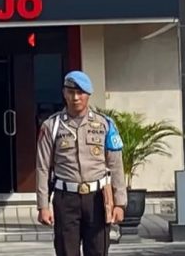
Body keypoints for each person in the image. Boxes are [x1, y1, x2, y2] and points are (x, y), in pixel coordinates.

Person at [35, 71, 127, 256]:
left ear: (88, 94)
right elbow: (42, 167)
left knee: (98, 251)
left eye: (80, 92)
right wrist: (43, 206)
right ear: (64, 93)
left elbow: (116, 166)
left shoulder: (105, 124)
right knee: (66, 251)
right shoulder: (51, 126)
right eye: (70, 92)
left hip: (97, 199)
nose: (75, 97)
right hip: (66, 198)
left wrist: (120, 203)